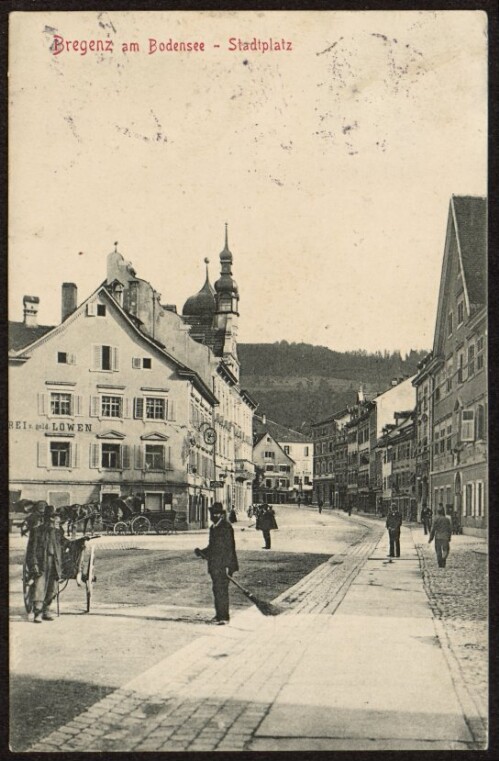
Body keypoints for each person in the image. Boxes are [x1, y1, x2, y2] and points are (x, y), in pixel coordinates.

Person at [25, 504, 89, 623]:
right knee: (39, 586)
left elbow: (66, 543)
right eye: (55, 518)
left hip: (55, 563)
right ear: (49, 518)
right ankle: (37, 613)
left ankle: (46, 610)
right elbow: (31, 550)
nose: (58, 520)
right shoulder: (36, 531)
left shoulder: (57, 532)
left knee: (52, 587)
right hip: (41, 563)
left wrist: (80, 541)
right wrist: (34, 564)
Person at [194, 502, 239, 625]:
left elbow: (229, 548)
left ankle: (224, 617)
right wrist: (202, 552)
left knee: (222, 590)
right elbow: (212, 547)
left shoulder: (226, 527)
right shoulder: (213, 528)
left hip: (223, 565)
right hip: (215, 565)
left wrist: (228, 567)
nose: (214, 515)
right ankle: (219, 615)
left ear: (221, 515)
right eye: (212, 513)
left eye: (216, 513)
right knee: (216, 589)